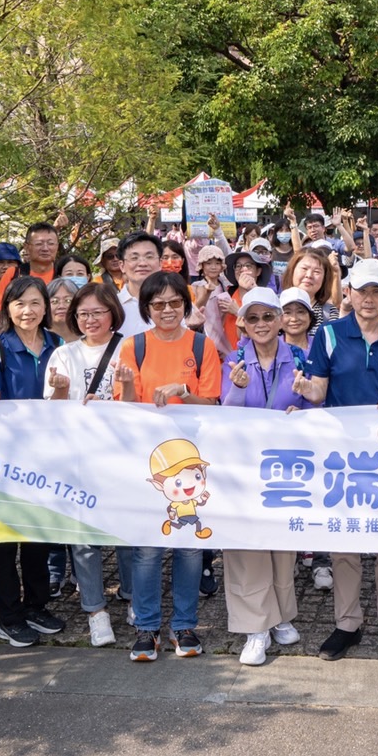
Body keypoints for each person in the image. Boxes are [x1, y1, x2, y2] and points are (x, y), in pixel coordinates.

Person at [295, 258, 378, 666]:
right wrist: (305, 391)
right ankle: (347, 623)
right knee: (345, 542)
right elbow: (319, 390)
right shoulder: (329, 334)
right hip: (342, 456)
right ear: (347, 292)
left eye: (377, 291)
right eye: (361, 290)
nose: (368, 299)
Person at [115, 271, 222, 662]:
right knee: (147, 549)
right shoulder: (134, 347)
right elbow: (125, 407)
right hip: (150, 460)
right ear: (146, 308)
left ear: (185, 304)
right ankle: (146, 629)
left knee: (190, 549)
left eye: (174, 303)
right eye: (157, 304)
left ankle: (184, 626)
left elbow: (212, 404)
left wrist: (184, 391)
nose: (166, 310)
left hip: (192, 459)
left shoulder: (201, 344)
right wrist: (127, 384)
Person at [0, 276, 65, 648]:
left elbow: (68, 400)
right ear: (7, 309)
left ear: (46, 307)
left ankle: (36, 605)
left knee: (38, 537)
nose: (27, 311)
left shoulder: (59, 345)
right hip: (7, 461)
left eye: (34, 303)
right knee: (4, 539)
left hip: (48, 458)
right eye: (19, 304)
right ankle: (8, 615)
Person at [221, 287, 309, 665]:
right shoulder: (235, 360)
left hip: (286, 465)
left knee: (281, 545)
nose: (261, 324)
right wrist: (239, 390)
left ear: (279, 320)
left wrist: (303, 405)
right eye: (252, 318)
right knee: (247, 548)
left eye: (267, 316)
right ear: (243, 323)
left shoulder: (301, 357)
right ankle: (255, 627)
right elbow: (224, 413)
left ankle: (281, 616)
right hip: (244, 466)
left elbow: (314, 403)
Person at [44, 280, 126, 646]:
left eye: (98, 312)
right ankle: (96, 610)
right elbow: (51, 414)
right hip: (78, 457)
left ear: (113, 313)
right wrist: (62, 389)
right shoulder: (63, 355)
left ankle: (135, 597)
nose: (90, 319)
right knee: (83, 537)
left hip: (122, 455)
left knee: (127, 531)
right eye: (83, 314)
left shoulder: (131, 348)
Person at [114, 231, 162, 336]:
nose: (142, 263)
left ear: (160, 263)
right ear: (122, 266)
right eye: (134, 258)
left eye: (149, 257)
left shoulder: (175, 304)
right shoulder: (112, 307)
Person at [283, 246, 340, 329]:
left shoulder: (329, 312)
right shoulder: (275, 305)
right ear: (292, 270)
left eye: (317, 271)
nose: (309, 275)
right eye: (304, 268)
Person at [46, 276, 80, 344]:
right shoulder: (39, 339)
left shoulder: (89, 336)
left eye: (68, 300)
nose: (61, 306)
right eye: (55, 301)